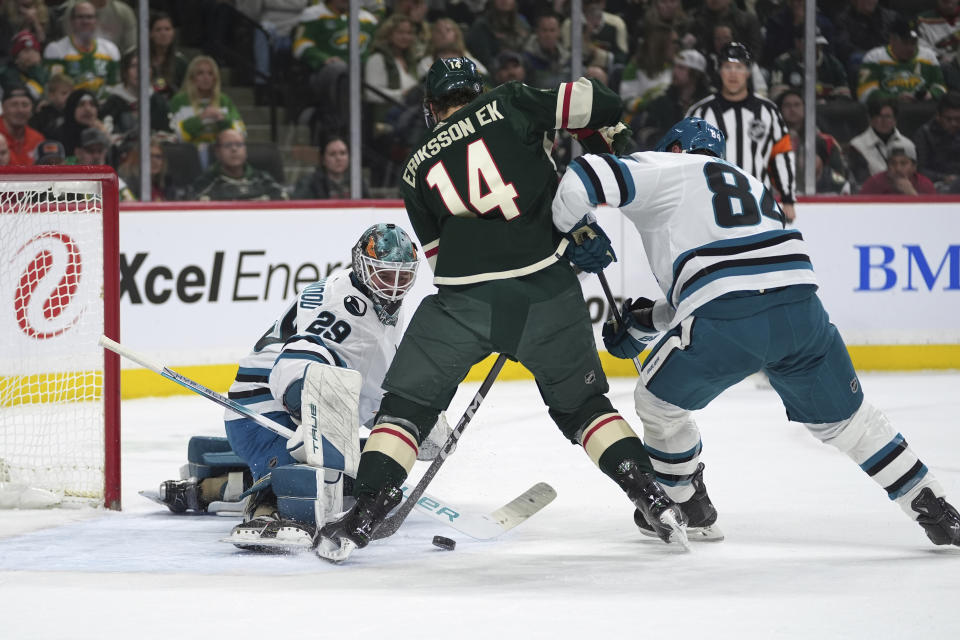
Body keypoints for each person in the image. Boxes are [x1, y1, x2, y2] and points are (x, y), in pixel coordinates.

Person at [314, 57, 687, 563]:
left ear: (430, 107)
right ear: (478, 89)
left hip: (463, 305)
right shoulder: (509, 102)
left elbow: (442, 260)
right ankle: (653, 497)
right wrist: (604, 130)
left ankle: (368, 510)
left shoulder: (414, 168)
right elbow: (603, 103)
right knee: (584, 409)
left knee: (406, 410)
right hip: (548, 295)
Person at [552, 116, 960, 549]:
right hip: (801, 312)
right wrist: (645, 321)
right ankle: (931, 504)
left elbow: (582, 178)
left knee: (658, 403)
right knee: (852, 423)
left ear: (673, 149)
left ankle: (687, 505)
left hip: (729, 317)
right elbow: (731, 275)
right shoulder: (749, 181)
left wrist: (573, 231)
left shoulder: (667, 167)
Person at [155, 224, 435, 548]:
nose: (395, 288)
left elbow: (368, 385)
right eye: (385, 275)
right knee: (312, 488)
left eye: (404, 277)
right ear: (361, 264)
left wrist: (402, 417)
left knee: (351, 479)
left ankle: (204, 489)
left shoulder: (364, 296)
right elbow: (291, 369)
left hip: (280, 404)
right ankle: (263, 508)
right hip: (262, 413)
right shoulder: (344, 311)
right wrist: (406, 421)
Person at [687, 42, 796, 222]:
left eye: (739, 67)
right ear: (719, 71)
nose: (733, 74)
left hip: (759, 206)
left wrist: (788, 198)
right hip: (712, 207)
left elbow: (781, 155)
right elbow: (686, 160)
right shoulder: (700, 113)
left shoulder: (768, 111)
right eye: (728, 67)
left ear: (748, 72)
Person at [858, 17, 946, 104]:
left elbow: (941, 87)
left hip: (922, 108)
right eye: (905, 42)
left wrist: (931, 94)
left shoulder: (928, 56)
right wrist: (895, 99)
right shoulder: (874, 58)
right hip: (889, 110)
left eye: (914, 42)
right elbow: (865, 93)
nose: (910, 48)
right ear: (892, 40)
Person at [42, 1, 120, 99]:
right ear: (72, 21)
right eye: (80, 17)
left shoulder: (110, 50)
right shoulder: (56, 50)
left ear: (96, 21)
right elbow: (54, 90)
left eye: (89, 17)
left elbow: (114, 88)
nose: (85, 21)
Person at [168, 55, 245, 152]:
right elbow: (175, 136)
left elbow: (241, 134)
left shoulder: (224, 101)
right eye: (200, 73)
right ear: (192, 77)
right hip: (187, 154)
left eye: (210, 73)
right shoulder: (179, 101)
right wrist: (201, 118)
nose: (206, 78)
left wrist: (223, 119)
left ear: (215, 78)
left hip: (220, 156)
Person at [190, 128, 288, 201]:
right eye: (228, 145)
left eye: (239, 145)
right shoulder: (205, 183)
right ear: (217, 152)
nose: (234, 149)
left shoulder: (262, 179)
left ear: (245, 150)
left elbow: (284, 198)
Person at [848, 96, 911, 186]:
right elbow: (861, 181)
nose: (882, 121)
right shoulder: (857, 145)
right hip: (873, 195)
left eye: (887, 117)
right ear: (870, 119)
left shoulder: (907, 145)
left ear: (895, 120)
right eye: (878, 116)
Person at [291, 135, 369, 199]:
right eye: (332, 154)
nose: (338, 158)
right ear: (323, 160)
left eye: (343, 153)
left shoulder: (357, 182)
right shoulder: (309, 184)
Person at [912, 90, 960, 191]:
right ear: (938, 116)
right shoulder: (924, 134)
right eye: (949, 119)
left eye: (958, 119)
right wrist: (943, 178)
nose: (954, 123)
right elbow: (918, 169)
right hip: (937, 183)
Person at [859, 139, 937, 195]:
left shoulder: (925, 185)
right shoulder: (874, 184)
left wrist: (912, 194)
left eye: (903, 163)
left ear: (914, 167)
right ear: (887, 166)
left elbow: (931, 215)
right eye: (892, 163)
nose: (898, 168)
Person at [0, 78, 44, 165]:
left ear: (32, 109)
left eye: (25, 105)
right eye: (14, 104)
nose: (20, 110)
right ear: (3, 108)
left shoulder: (37, 139)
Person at [148, 11, 189, 100]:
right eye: (158, 30)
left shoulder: (181, 62)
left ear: (173, 32)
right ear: (150, 34)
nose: (163, 33)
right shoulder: (140, 60)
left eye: (167, 29)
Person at [29, 73, 73, 139]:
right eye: (64, 93)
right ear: (51, 95)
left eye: (71, 93)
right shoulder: (42, 115)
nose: (69, 97)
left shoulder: (74, 113)